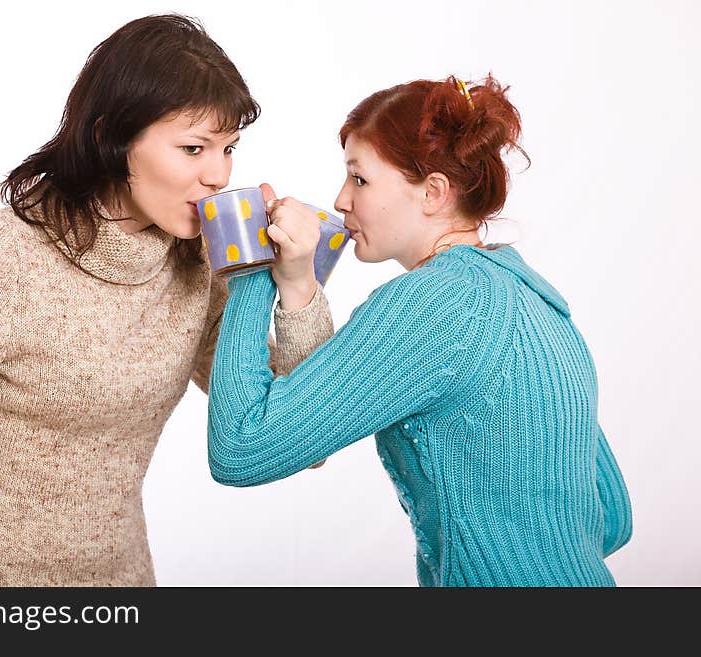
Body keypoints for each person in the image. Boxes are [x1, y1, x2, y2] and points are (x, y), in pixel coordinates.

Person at [0, 14, 334, 587]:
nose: (218, 176)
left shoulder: (198, 264)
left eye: (229, 149)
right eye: (194, 148)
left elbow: (298, 437)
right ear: (111, 139)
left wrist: (295, 287)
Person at [207, 75, 632, 586]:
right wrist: (296, 281)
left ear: (433, 192)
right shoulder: (534, 295)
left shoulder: (436, 305)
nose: (341, 200)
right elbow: (610, 515)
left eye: (359, 179)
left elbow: (241, 448)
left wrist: (251, 267)